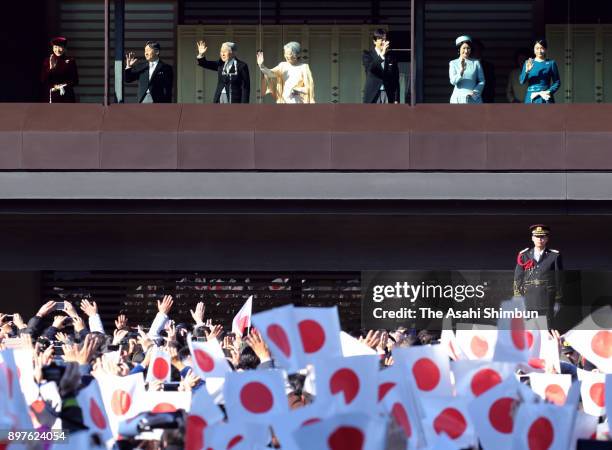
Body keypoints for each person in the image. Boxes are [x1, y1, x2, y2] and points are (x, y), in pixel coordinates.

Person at [513, 224, 563, 321]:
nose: (540, 239)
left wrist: (557, 299)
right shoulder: (524, 255)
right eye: (537, 236)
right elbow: (518, 277)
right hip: (529, 298)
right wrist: (519, 297)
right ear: (532, 238)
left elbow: (558, 278)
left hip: (547, 298)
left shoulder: (554, 256)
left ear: (547, 238)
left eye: (542, 237)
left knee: (548, 326)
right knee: (530, 328)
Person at [362, 28, 400, 104]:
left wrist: (396, 98)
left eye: (385, 40)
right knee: (373, 115)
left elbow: (395, 79)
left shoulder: (391, 57)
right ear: (374, 41)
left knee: (388, 115)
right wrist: (382, 55)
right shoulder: (367, 55)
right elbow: (371, 69)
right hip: (373, 94)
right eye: (381, 40)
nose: (384, 42)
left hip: (388, 93)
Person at [520, 39, 560, 104]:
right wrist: (527, 71)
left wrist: (549, 91)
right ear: (533, 49)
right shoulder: (528, 63)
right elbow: (522, 81)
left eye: (542, 48)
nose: (539, 51)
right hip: (531, 97)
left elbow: (557, 82)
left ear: (546, 49)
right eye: (537, 48)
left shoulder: (551, 63)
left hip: (545, 96)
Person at [41, 37, 79, 103]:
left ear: (64, 49)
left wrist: (62, 86)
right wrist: (50, 68)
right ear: (52, 48)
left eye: (60, 47)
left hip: (67, 96)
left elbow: (75, 81)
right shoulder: (48, 61)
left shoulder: (70, 61)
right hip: (52, 95)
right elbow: (43, 80)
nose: (57, 50)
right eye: (55, 47)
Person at [449, 35, 485, 104]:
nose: (466, 51)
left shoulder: (476, 62)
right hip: (457, 99)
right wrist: (461, 71)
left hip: (474, 98)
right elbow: (453, 81)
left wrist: (475, 93)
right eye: (464, 48)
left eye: (468, 48)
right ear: (459, 49)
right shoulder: (453, 63)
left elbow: (482, 80)